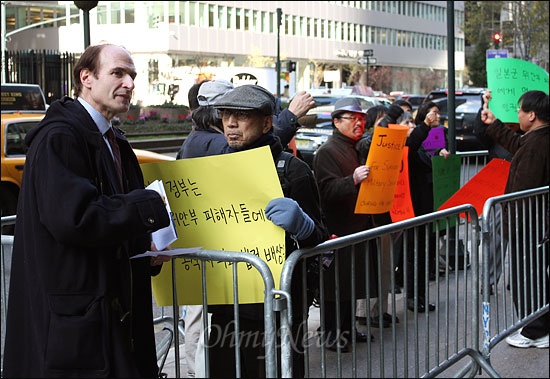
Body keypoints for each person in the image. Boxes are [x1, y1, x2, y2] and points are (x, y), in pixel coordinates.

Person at [2, 43, 172, 378]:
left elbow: (107, 217)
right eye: (118, 73)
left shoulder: (112, 140)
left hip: (106, 317)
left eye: (132, 76)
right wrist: (147, 208)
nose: (129, 83)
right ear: (87, 78)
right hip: (77, 324)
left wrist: (143, 248)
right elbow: (77, 218)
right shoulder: (60, 138)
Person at [207, 84, 329, 378]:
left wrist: (304, 227)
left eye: (241, 116)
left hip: (277, 309)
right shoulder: (214, 169)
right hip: (226, 305)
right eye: (225, 115)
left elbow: (321, 243)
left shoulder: (293, 171)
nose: (231, 123)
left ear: (266, 122)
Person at [479, 90, 549, 349]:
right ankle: (538, 325)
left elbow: (523, 190)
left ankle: (535, 330)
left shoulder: (537, 144)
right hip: (532, 222)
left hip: (529, 223)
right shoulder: (536, 139)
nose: (517, 114)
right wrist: (494, 124)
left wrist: (511, 221)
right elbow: (518, 143)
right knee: (533, 275)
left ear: (532, 115)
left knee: (527, 277)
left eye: (520, 110)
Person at [313, 97, 377, 349]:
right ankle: (331, 334)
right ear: (336, 121)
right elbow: (325, 190)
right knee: (335, 287)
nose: (359, 123)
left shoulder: (356, 147)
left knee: (351, 283)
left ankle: (348, 330)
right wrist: (352, 179)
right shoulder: (327, 151)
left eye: (362, 119)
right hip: (339, 229)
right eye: (353, 119)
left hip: (358, 224)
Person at [404, 101, 451, 313]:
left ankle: (422, 295)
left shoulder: (439, 135)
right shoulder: (415, 139)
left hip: (432, 204)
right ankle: (413, 297)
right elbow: (411, 146)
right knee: (416, 252)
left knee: (427, 252)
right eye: (433, 113)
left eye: (438, 113)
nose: (437, 116)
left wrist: (442, 153)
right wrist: (424, 126)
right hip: (416, 206)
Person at [473, 90, 518, 295]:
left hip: (526, 190)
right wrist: (484, 107)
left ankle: (520, 278)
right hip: (500, 190)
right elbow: (480, 133)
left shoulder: (532, 133)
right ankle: (489, 279)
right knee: (496, 237)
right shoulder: (495, 129)